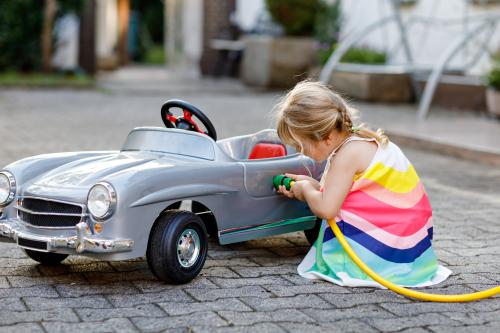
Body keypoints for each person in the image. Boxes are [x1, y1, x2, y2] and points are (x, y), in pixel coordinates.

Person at [274, 80, 451, 288]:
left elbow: (326, 209)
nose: (300, 152)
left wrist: (304, 190)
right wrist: (312, 183)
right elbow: (349, 192)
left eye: (301, 145)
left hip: (391, 253)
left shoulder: (346, 155)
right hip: (413, 248)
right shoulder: (360, 141)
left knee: (324, 223)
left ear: (326, 137)